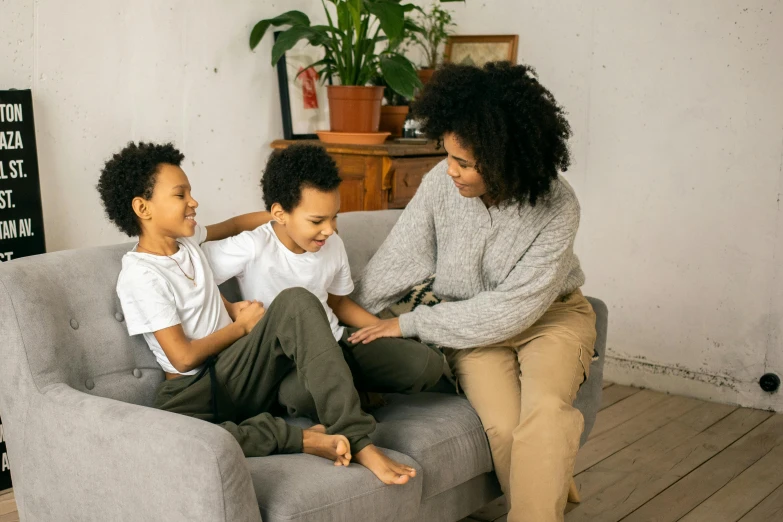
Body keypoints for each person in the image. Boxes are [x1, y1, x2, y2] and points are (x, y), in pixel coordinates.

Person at [349, 62, 597, 520]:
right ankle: (547, 481)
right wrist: (339, 315)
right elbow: (398, 259)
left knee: (544, 416)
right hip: (469, 326)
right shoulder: (439, 187)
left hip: (551, 317)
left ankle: (540, 491)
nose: (450, 171)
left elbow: (513, 310)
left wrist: (410, 323)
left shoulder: (559, 205)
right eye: (446, 154)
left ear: (505, 160)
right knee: (503, 428)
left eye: (463, 162)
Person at [96, 141, 416, 485]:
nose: (194, 201)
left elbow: (234, 227)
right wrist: (241, 325)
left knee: (296, 301)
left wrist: (287, 217)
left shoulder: (187, 243)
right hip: (193, 391)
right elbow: (182, 357)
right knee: (183, 439)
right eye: (180, 195)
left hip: (237, 371)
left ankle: (355, 436)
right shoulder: (140, 274)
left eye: (190, 192)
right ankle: (305, 440)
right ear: (143, 208)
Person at [200, 144, 444, 419]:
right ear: (280, 214)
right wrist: (231, 308)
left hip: (336, 340)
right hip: (293, 363)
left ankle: (346, 387)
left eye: (334, 217)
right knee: (301, 395)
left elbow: (337, 301)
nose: (330, 229)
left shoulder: (332, 243)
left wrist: (382, 328)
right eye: (317, 220)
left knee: (425, 364)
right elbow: (192, 269)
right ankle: (347, 391)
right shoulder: (254, 246)